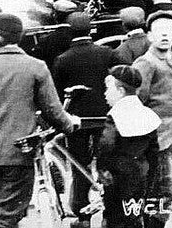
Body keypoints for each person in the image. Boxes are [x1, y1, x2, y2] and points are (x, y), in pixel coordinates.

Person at [0, 12, 77, 228]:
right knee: (7, 214)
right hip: (17, 152)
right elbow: (52, 110)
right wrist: (70, 125)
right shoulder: (36, 66)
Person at [53, 12, 116, 225]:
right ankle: (111, 210)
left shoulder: (63, 59)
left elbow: (58, 92)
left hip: (77, 121)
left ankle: (82, 215)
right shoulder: (107, 53)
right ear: (92, 30)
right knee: (108, 165)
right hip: (105, 117)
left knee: (80, 166)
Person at [133, 11, 172, 228]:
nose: (164, 36)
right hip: (154, 139)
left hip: (171, 135)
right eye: (159, 32)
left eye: (169, 32)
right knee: (162, 192)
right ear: (149, 36)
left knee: (162, 191)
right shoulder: (145, 63)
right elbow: (136, 103)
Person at [98, 65, 161, 228]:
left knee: (116, 218)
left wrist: (101, 168)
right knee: (135, 214)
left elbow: (107, 145)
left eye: (108, 89)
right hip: (142, 174)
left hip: (118, 177)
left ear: (120, 91)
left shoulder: (116, 115)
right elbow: (154, 150)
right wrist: (152, 174)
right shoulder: (146, 113)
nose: (105, 94)